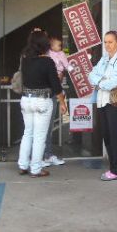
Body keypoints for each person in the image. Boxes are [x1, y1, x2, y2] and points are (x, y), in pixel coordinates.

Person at [18, 30, 68, 178]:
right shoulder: (47, 61)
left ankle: (23, 165)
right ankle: (35, 169)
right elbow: (55, 85)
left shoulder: (25, 59)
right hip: (42, 101)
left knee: (28, 133)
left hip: (26, 99)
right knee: (40, 136)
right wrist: (62, 102)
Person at [88, 31, 117, 181]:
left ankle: (116, 170)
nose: (107, 45)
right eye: (105, 42)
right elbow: (91, 75)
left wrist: (100, 81)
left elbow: (115, 82)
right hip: (101, 101)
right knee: (106, 135)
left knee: (115, 136)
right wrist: (102, 80)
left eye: (110, 42)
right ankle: (112, 166)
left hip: (114, 102)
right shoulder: (104, 58)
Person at [43, 36, 74, 167]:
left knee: (45, 128)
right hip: (46, 95)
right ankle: (44, 156)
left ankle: (46, 155)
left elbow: (65, 67)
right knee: (44, 128)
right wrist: (62, 102)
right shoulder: (46, 57)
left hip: (49, 94)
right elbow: (55, 82)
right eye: (56, 45)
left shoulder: (58, 55)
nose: (59, 48)